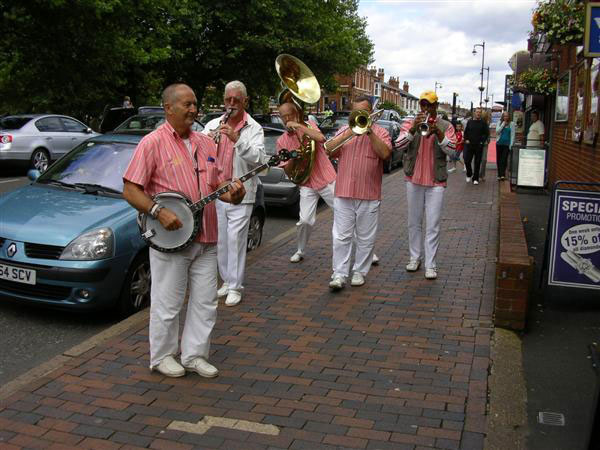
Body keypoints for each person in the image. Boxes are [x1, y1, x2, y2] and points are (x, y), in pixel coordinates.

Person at [122, 83, 246, 378]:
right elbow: (130, 189)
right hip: (172, 240)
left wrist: (234, 194)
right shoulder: (152, 143)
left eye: (195, 104)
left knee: (206, 303)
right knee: (168, 303)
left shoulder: (206, 142)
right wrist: (157, 211)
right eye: (187, 104)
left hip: (207, 236)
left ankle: (194, 355)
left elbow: (217, 185)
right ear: (168, 108)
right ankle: (162, 356)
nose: (193, 109)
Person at [203, 81, 266, 307]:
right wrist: (207, 143)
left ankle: (236, 286)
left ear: (245, 102)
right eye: (228, 99)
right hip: (217, 192)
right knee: (220, 241)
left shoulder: (254, 128)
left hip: (242, 192)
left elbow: (261, 160)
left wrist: (237, 140)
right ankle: (227, 281)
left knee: (236, 240)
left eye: (236, 100)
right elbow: (199, 154)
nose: (231, 104)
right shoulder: (213, 124)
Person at [325, 95, 392, 290]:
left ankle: (360, 272)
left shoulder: (381, 132)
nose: (358, 115)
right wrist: (349, 132)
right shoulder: (344, 130)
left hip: (368, 193)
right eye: (355, 112)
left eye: (363, 112)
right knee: (341, 236)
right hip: (344, 192)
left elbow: (385, 154)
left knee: (365, 238)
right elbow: (328, 149)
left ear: (371, 113)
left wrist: (368, 131)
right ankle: (339, 274)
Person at [396, 91, 457, 280]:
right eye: (423, 105)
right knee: (414, 222)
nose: (426, 108)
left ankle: (431, 264)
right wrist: (413, 129)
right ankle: (415, 258)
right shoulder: (410, 123)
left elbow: (452, 151)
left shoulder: (446, 126)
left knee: (433, 224)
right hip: (413, 179)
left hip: (436, 181)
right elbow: (399, 146)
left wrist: (438, 132)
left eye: (429, 105)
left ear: (435, 106)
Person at [277, 101, 336, 262]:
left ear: (295, 114)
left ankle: (366, 251)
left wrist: (298, 126)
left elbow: (321, 138)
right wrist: (294, 158)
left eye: (289, 115)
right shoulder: (282, 141)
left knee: (344, 213)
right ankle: (300, 250)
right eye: (283, 116)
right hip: (306, 183)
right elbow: (288, 172)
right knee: (305, 220)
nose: (286, 119)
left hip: (326, 178)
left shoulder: (309, 125)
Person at [463, 108, 489, 185]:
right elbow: (466, 132)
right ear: (474, 113)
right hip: (470, 144)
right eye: (477, 112)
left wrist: (482, 142)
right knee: (467, 160)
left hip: (479, 145)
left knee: (477, 162)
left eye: (479, 112)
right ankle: (469, 173)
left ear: (481, 114)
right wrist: (466, 139)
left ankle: (475, 178)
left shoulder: (483, 123)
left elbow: (486, 134)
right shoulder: (470, 122)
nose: (478, 113)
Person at [495, 111, 516, 180]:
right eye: (504, 116)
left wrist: (511, 145)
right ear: (502, 117)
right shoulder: (499, 122)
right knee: (499, 159)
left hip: (507, 144)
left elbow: (513, 135)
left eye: (507, 116)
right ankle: (499, 174)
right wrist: (503, 124)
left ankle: (502, 174)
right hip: (499, 143)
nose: (506, 117)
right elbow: (497, 131)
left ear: (509, 116)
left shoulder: (512, 124)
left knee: (504, 159)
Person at [479, 110, 492, 182]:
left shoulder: (487, 123)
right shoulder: (477, 122)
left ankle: (482, 175)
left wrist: (488, 139)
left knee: (484, 159)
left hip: (485, 144)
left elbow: (488, 133)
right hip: (478, 143)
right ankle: (477, 174)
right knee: (477, 159)